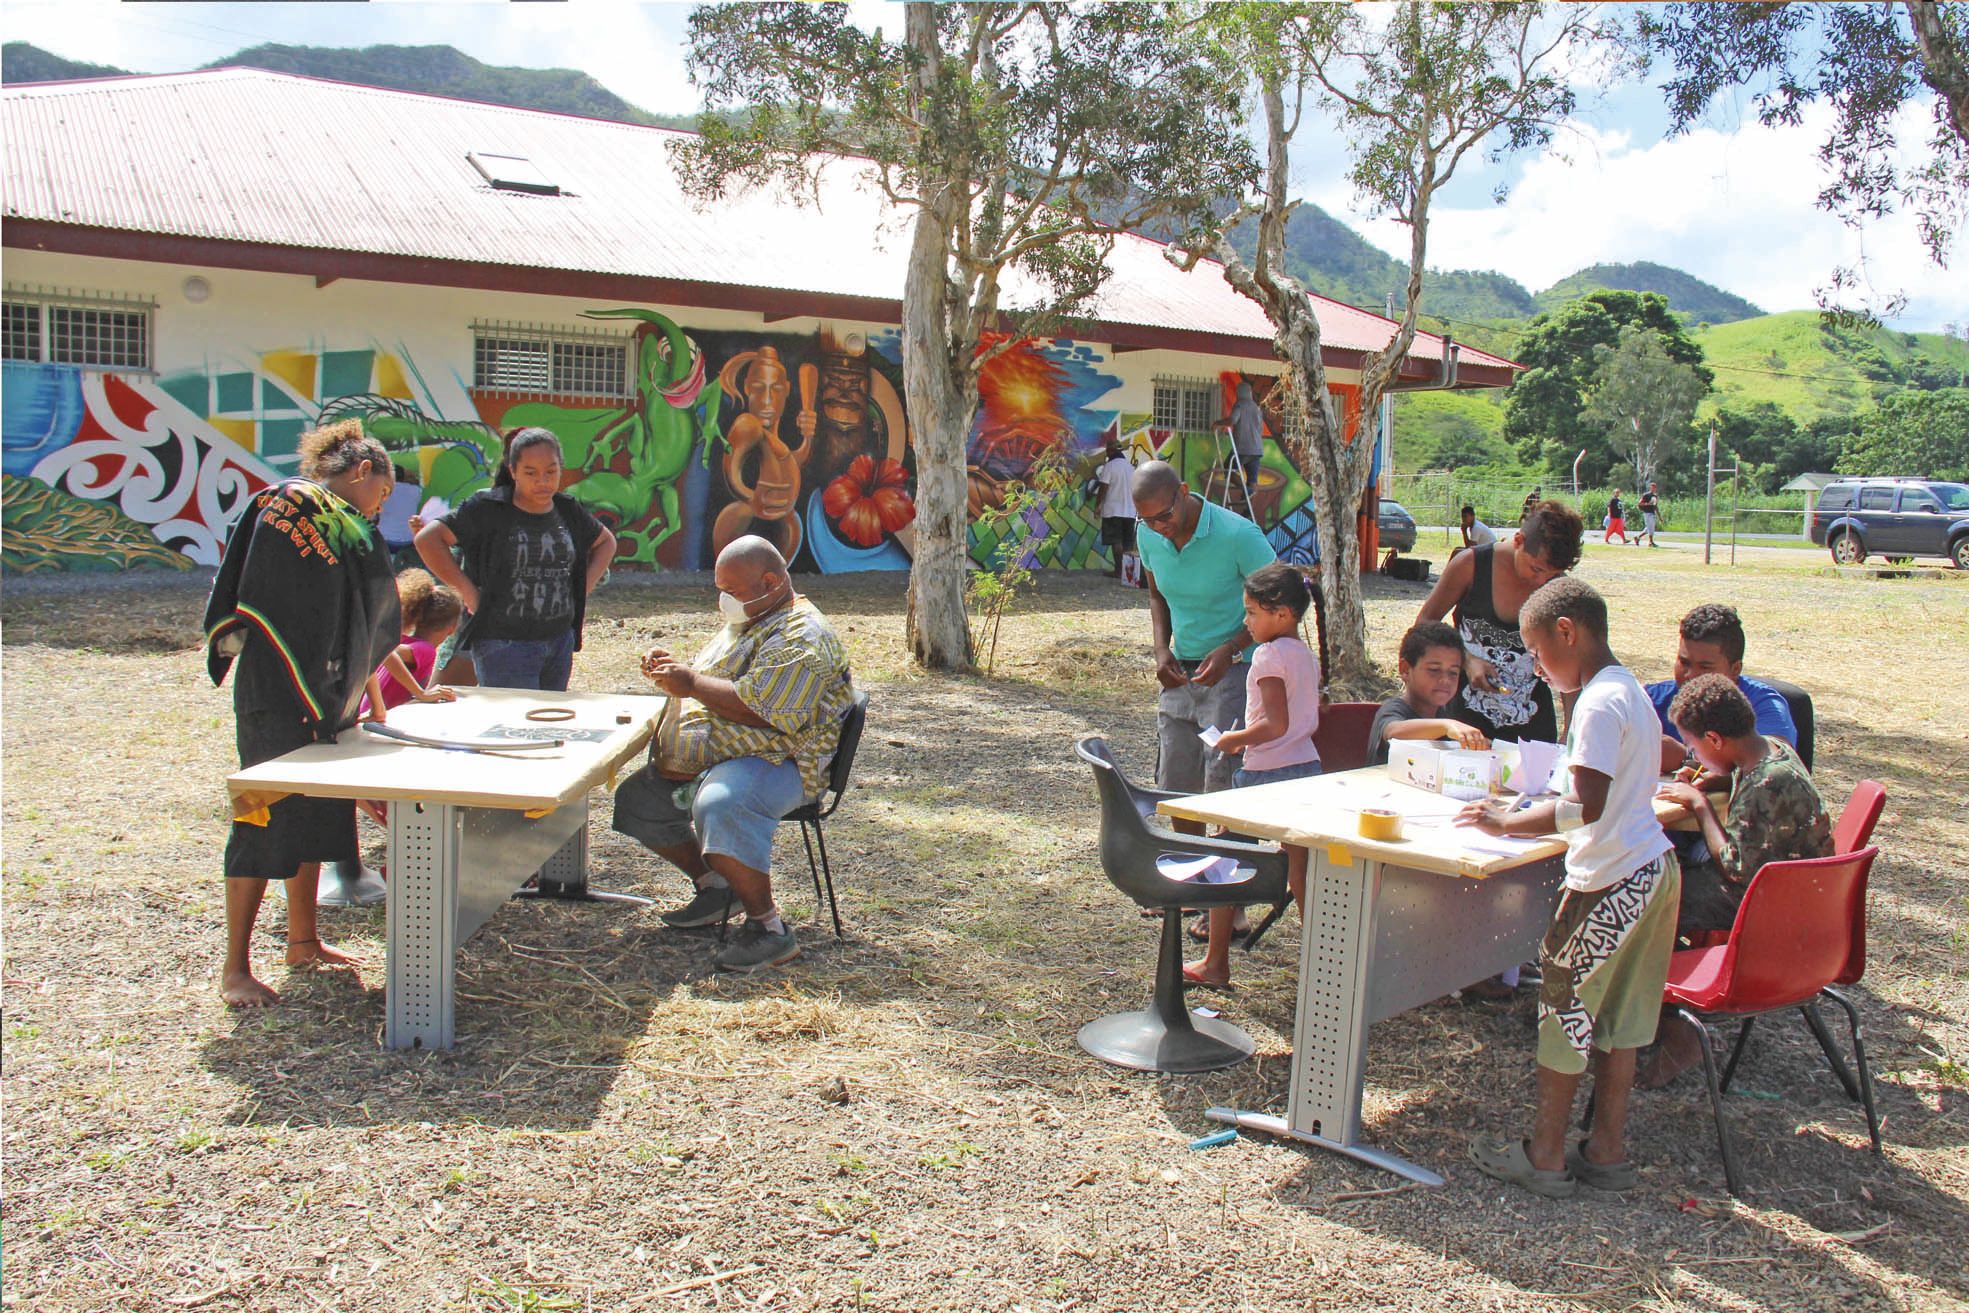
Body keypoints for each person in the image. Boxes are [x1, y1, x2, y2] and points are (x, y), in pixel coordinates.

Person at [1458, 577, 1680, 1198]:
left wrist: (1506, 822)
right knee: (1621, 1024)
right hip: (1652, 874)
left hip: (1606, 883)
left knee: (1561, 1009)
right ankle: (1606, 1150)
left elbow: (1585, 802)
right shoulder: (1627, 688)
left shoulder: (1597, 703)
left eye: (1534, 650)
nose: (1533, 664)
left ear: (1567, 632)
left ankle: (1546, 1154)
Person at [202, 420, 401, 1007]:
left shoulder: (341, 524)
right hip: (278, 693)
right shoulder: (291, 504)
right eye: (381, 493)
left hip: (327, 694)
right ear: (361, 471)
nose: (378, 509)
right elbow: (274, 593)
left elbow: (361, 610)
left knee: (318, 811)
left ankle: (302, 940)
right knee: (263, 818)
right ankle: (235, 968)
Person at [612, 536, 855, 973]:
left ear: (771, 581)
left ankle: (769, 930)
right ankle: (715, 887)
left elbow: (769, 712)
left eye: (734, 590)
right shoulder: (757, 613)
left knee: (723, 803)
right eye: (721, 589)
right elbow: (721, 676)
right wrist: (677, 671)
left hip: (784, 760)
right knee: (641, 800)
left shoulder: (804, 636)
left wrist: (691, 685)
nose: (726, 600)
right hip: (737, 751)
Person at [1640, 675, 1833, 1088]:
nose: (1692, 753)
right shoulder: (1770, 752)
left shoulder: (1764, 784)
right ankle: (1654, 1013)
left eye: (1694, 746)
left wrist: (1698, 806)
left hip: (1764, 901)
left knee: (1648, 900)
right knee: (1658, 884)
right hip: (1794, 890)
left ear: (1714, 738)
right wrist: (1720, 778)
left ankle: (1674, 1029)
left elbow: (1734, 866)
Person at [1185, 562, 1324, 988]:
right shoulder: (1304, 654)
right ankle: (1325, 964)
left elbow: (1274, 726)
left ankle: (1215, 963)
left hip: (1266, 774)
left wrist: (1234, 739)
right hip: (1307, 770)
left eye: (1251, 613)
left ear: (1281, 613)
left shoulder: (1267, 655)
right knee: (1302, 874)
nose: (1246, 622)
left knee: (1224, 861)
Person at [414, 427, 616, 691]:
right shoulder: (488, 508)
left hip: (557, 642)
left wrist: (582, 590)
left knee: (546, 723)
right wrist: (467, 591)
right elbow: (428, 540)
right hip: (503, 644)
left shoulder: (567, 509)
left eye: (551, 472)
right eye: (530, 473)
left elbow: (605, 542)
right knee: (511, 726)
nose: (542, 481)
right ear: (513, 471)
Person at [1130, 460, 1277, 796]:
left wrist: (1233, 648)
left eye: (1164, 516)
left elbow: (1282, 601)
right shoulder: (1147, 534)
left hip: (1237, 672)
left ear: (1183, 493)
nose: (1157, 527)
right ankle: (1187, 851)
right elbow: (1157, 597)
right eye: (1147, 519)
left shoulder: (1238, 535)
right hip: (1181, 672)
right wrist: (1161, 651)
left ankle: (1229, 850)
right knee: (1177, 787)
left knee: (1226, 784)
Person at [1416, 499, 1584, 745]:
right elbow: (1424, 625)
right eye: (1536, 569)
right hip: (1464, 719)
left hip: (1531, 726)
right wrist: (1467, 659)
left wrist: (1570, 731)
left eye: (1552, 574)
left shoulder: (1559, 588)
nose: (1541, 582)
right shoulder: (1470, 565)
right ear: (1518, 541)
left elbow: (1571, 667)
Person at [1646, 604, 1798, 768]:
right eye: (1684, 663)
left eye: (1705, 667)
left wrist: (1686, 759)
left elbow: (1773, 765)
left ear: (1735, 669)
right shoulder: (1651, 699)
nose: (1690, 675)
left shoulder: (1764, 705)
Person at [1366, 622, 1490, 767]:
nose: (1445, 680)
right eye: (1434, 670)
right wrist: (1447, 726)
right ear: (1405, 669)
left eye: (1453, 673)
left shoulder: (1447, 713)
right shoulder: (1393, 709)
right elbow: (1393, 732)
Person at [1093, 435, 1137, 579]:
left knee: (1116, 541)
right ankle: (1128, 573)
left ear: (1111, 451)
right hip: (1130, 512)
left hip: (1113, 511)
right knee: (1128, 543)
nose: (1106, 454)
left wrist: (1098, 505)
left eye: (1107, 451)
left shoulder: (1110, 466)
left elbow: (1103, 488)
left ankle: (1118, 571)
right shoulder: (1130, 468)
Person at [1216, 380, 1266, 503]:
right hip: (1257, 449)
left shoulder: (1240, 405)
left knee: (1228, 470)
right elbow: (1260, 428)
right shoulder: (1257, 408)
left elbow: (1232, 420)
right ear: (1250, 393)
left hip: (1242, 448)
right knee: (1253, 481)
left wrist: (1218, 423)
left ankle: (1245, 490)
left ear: (1238, 393)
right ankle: (1248, 512)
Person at [1636, 482, 1660, 547]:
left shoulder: (1655, 496)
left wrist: (1659, 516)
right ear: (1650, 488)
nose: (1653, 489)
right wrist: (1647, 504)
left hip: (1652, 513)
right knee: (1650, 528)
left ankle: (1637, 537)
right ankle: (1650, 542)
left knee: (1649, 528)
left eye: (1654, 487)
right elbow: (1639, 503)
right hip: (1647, 513)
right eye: (1652, 487)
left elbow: (1656, 506)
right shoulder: (1646, 495)